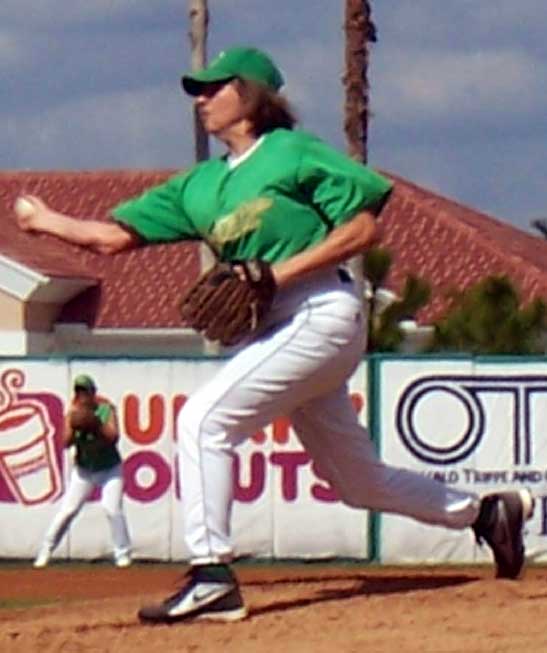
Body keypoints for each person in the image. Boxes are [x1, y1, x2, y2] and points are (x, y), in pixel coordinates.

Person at [16, 46, 533, 621]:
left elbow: (362, 227)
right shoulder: (199, 186)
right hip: (280, 328)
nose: (202, 99)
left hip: (321, 310)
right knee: (356, 481)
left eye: (215, 88)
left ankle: (211, 573)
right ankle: (486, 513)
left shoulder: (290, 152)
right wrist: (45, 222)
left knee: (204, 420)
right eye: (197, 91)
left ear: (253, 95)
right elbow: (113, 237)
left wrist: (278, 272)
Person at [33, 374, 132, 568]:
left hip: (109, 468)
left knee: (111, 509)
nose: (82, 395)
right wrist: (74, 423)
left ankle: (123, 554)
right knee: (68, 511)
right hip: (84, 470)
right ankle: (45, 551)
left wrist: (95, 424)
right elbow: (65, 442)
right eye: (78, 391)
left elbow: (113, 436)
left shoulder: (105, 409)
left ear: (93, 393)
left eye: (85, 391)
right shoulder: (73, 413)